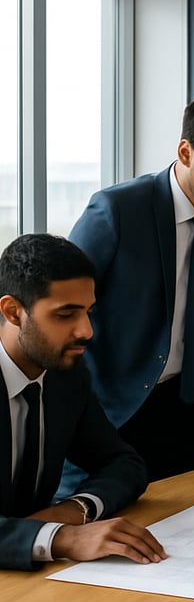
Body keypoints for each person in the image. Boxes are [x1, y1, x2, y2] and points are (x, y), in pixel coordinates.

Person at [67, 93, 194, 486]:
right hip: (110, 413)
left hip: (188, 413)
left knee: (184, 534)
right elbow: (62, 310)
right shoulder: (117, 210)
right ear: (186, 152)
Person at [0, 234, 166, 571]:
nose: (87, 331)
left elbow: (124, 464)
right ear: (13, 312)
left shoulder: (65, 377)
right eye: (66, 315)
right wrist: (62, 537)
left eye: (89, 312)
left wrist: (73, 511)